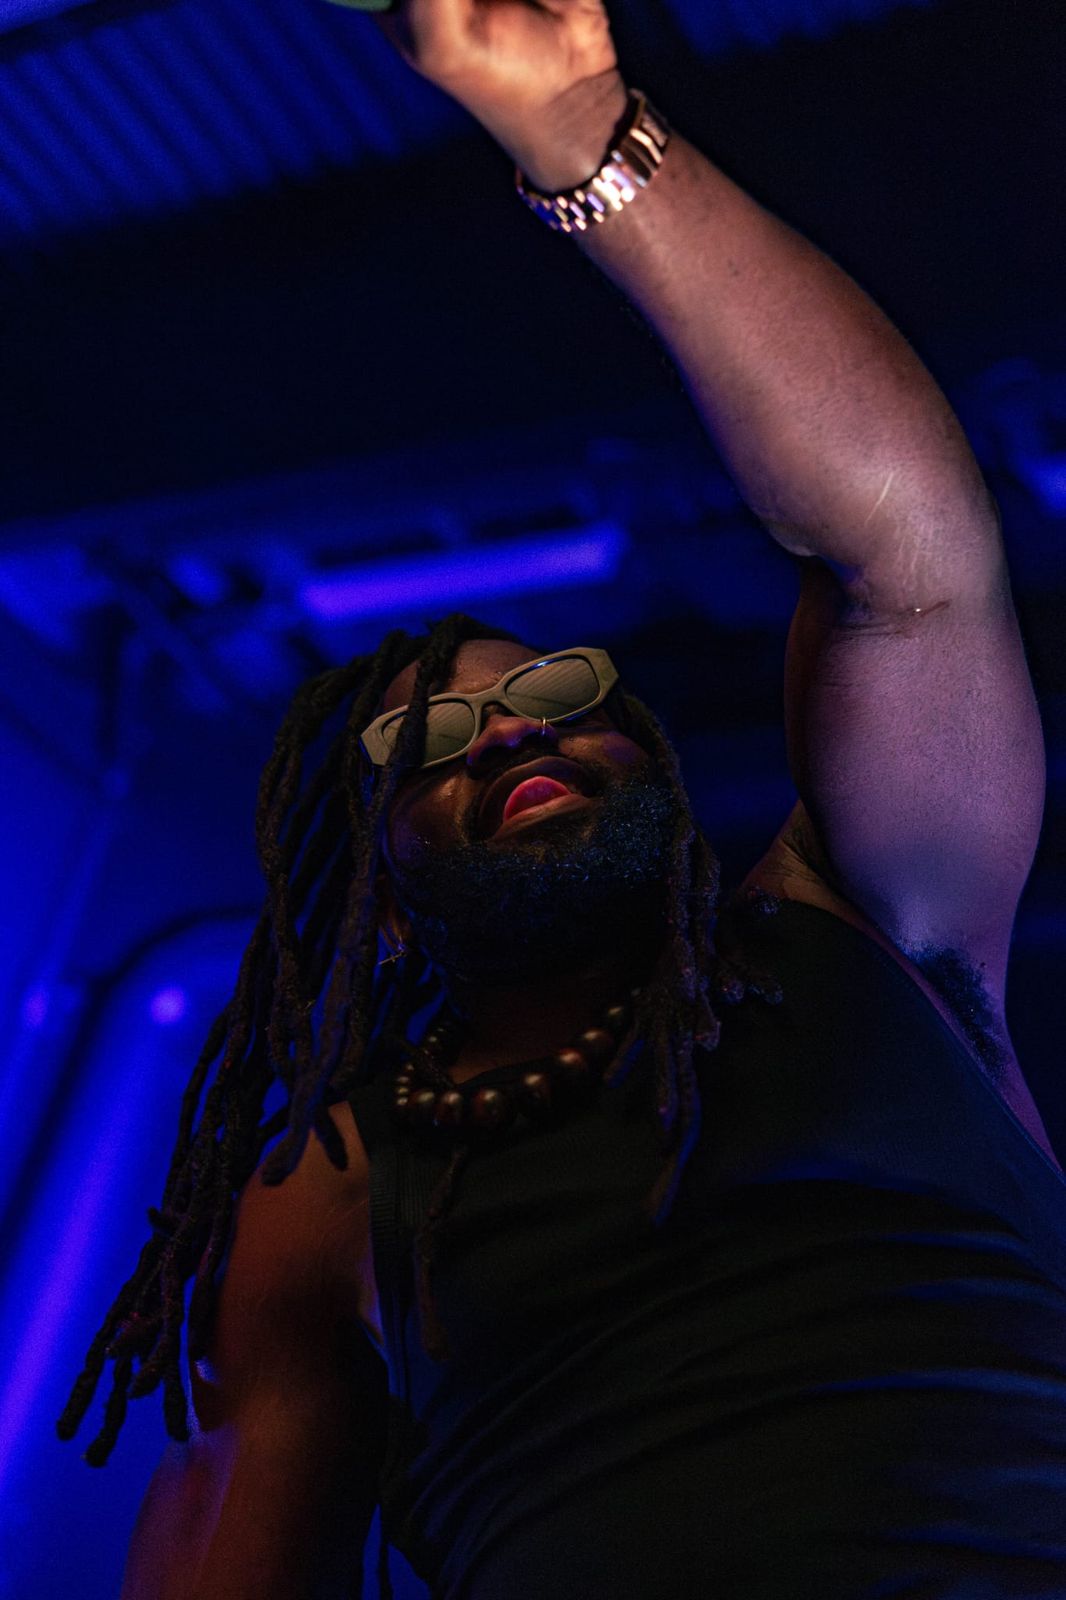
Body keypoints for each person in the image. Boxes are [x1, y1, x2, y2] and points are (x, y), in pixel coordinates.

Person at [59, 2, 1066, 1596]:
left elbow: (907, 551)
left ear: (643, 746)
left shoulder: (867, 928)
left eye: (549, 694)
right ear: (383, 889)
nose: (500, 739)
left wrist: (582, 130)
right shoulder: (330, 1183)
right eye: (427, 746)